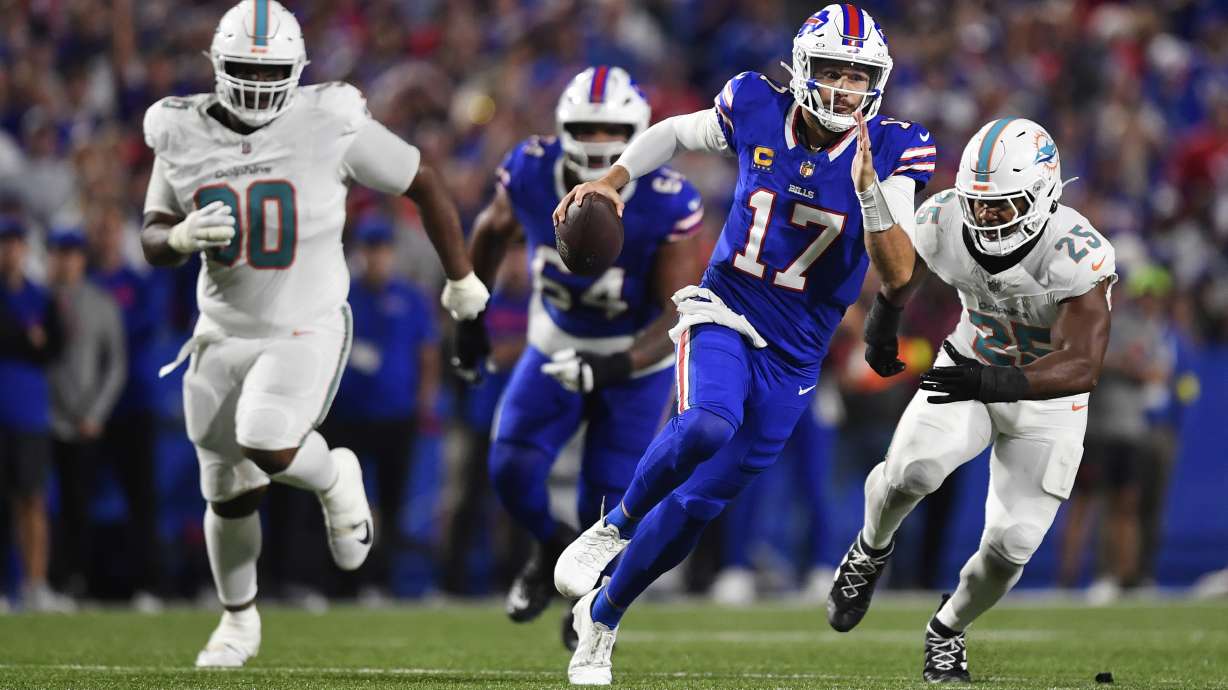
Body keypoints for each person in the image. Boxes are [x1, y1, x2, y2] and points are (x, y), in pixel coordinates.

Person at [550, 6, 934, 684]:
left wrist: (871, 192)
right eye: (833, 72)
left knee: (699, 506)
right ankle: (613, 527)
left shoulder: (897, 149)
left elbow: (900, 272)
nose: (845, 89)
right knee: (706, 423)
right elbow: (672, 132)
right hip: (726, 306)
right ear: (803, 70)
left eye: (858, 76)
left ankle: (601, 618)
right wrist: (612, 180)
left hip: (797, 353)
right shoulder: (755, 103)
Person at [139, 0, 488, 667]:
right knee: (227, 489)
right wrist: (178, 236)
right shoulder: (178, 128)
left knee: (266, 436)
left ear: (298, 70)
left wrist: (462, 282)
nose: (255, 83)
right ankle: (238, 622)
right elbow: (153, 231)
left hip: (306, 324)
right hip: (220, 333)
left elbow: (423, 179)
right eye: (241, 67)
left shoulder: (329, 121)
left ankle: (334, 477)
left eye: (267, 70)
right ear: (216, 64)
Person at [827, 118, 1116, 682]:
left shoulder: (1077, 253)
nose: (984, 217)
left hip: (1047, 397)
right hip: (970, 361)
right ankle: (869, 548)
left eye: (1001, 206)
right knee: (912, 470)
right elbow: (905, 271)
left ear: (1043, 195)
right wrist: (885, 322)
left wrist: (991, 385)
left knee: (1012, 544)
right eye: (979, 204)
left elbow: (1082, 364)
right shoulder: (945, 218)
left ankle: (947, 628)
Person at [461, 65, 705, 646]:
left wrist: (612, 367)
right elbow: (492, 230)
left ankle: (588, 606)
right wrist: (468, 315)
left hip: (633, 360)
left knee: (609, 498)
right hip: (555, 340)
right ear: (564, 127)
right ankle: (548, 546)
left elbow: (675, 311)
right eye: (586, 128)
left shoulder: (668, 200)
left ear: (638, 132)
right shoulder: (530, 169)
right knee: (511, 472)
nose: (597, 142)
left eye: (611, 129)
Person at [319, 216, 441, 600]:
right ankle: (345, 583)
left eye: (383, 250)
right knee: (346, 502)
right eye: (370, 250)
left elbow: (428, 353)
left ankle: (383, 581)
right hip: (349, 414)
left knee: (391, 502)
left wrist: (425, 399)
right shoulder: (343, 299)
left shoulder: (411, 297)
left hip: (396, 414)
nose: (377, 258)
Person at [86, 203, 169, 610]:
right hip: (89, 404)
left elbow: (139, 329)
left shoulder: (136, 283)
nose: (104, 238)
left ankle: (148, 585)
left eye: (109, 230)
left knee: (142, 497)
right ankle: (81, 581)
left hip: (132, 400)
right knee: (80, 495)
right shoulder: (85, 281)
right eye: (99, 231)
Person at [45, 228, 127, 600]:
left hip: (84, 419)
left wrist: (96, 413)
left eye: (72, 253)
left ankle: (74, 579)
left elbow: (115, 365)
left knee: (78, 505)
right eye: (59, 253)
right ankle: (36, 580)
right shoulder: (36, 299)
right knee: (33, 503)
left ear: (82, 259)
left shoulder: (101, 303)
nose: (65, 261)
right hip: (42, 417)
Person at [0, 217, 72, 612]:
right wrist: (27, 340)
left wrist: (29, 342)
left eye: (14, 243)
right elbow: (30, 342)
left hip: (29, 412)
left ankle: (35, 583)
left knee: (33, 501)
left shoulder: (39, 297)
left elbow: (55, 345)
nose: (9, 251)